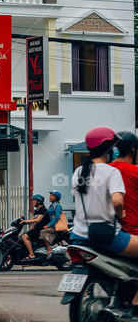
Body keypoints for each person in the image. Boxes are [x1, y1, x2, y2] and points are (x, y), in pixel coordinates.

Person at [72, 127, 138, 308]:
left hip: (78, 235)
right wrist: (120, 213)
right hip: (106, 235)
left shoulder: (79, 172)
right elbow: (117, 202)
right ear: (110, 148)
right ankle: (136, 300)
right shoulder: (111, 172)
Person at [109, 130, 138, 234]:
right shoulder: (135, 171)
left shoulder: (103, 171)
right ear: (133, 150)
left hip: (106, 231)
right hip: (132, 231)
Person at [20, 194, 49, 260]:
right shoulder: (37, 210)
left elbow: (38, 219)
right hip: (37, 229)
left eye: (34, 200)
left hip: (41, 230)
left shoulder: (43, 209)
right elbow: (32, 220)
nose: (32, 201)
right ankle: (28, 253)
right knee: (23, 236)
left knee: (24, 237)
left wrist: (26, 222)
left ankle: (31, 254)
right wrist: (23, 221)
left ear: (38, 201)